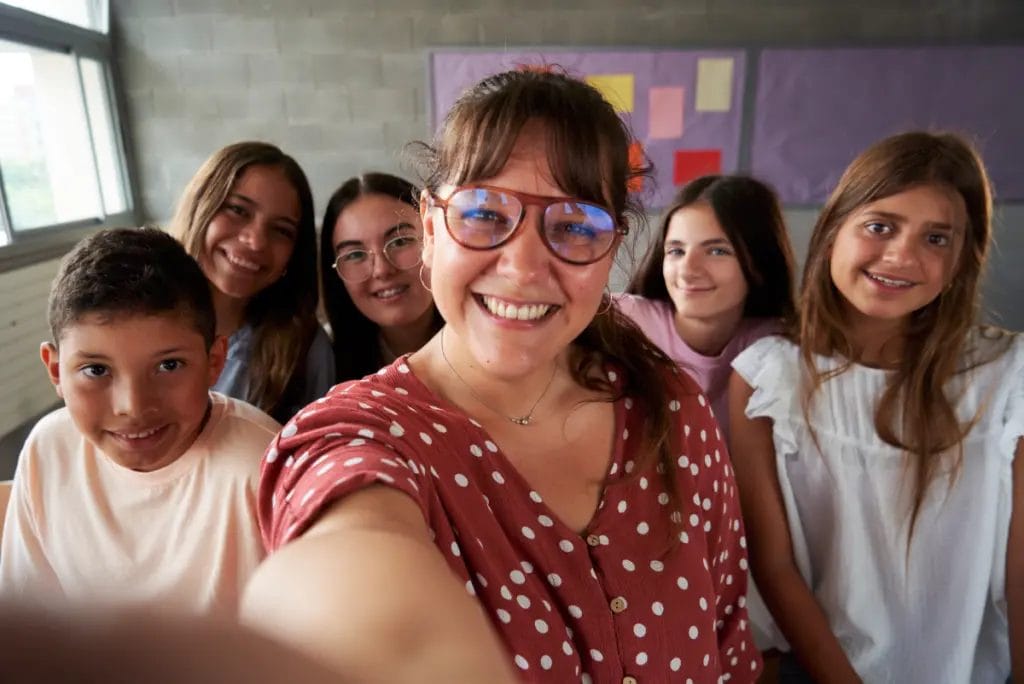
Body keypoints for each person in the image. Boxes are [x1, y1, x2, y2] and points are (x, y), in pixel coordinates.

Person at [243, 69, 761, 683]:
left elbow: (730, 637)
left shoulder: (670, 408)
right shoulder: (363, 434)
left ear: (610, 252)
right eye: (485, 214)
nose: (522, 267)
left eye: (574, 226)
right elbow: (346, 560)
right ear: (431, 232)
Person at [729, 131, 1024, 683]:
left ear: (962, 260)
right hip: (819, 669)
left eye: (937, 239)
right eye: (880, 226)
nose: (902, 256)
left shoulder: (1009, 375)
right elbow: (774, 565)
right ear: (833, 228)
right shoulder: (769, 376)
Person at [0, 227, 279, 615]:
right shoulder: (49, 451)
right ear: (55, 370)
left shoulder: (262, 466)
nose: (132, 406)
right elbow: (31, 625)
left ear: (215, 360)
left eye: (169, 365)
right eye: (96, 370)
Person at [619, 174, 796, 439]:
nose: (688, 271)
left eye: (717, 251)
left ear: (760, 263)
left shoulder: (777, 346)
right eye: (676, 251)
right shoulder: (621, 320)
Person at [170, 141, 334, 423]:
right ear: (200, 205)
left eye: (281, 230)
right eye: (238, 210)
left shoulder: (305, 352)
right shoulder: (130, 317)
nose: (255, 241)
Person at [320, 172, 441, 382]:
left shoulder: (493, 335)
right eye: (355, 255)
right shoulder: (323, 360)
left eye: (400, 242)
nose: (382, 270)